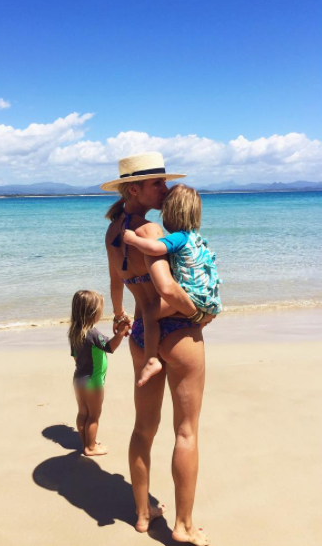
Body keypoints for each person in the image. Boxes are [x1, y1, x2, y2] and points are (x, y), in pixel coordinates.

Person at [101, 152, 214, 545]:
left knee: (143, 429)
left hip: (140, 337)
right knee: (186, 432)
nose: (164, 190)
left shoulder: (114, 230)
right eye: (157, 183)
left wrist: (118, 314)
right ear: (135, 189)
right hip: (177, 332)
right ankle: (183, 526)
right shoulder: (150, 233)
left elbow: (117, 281)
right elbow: (166, 291)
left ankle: (143, 514)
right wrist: (200, 311)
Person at [124, 184, 222, 387]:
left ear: (171, 212)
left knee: (150, 312)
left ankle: (151, 359)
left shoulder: (178, 237)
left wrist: (133, 239)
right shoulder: (198, 240)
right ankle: (200, 320)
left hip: (189, 298)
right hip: (208, 300)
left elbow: (154, 248)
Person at [68, 290, 130, 457]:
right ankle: (90, 448)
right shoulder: (93, 333)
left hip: (78, 380)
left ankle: (87, 442)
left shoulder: (74, 332)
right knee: (94, 416)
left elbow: (75, 357)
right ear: (92, 313)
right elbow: (110, 347)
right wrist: (121, 333)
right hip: (93, 382)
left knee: (83, 413)